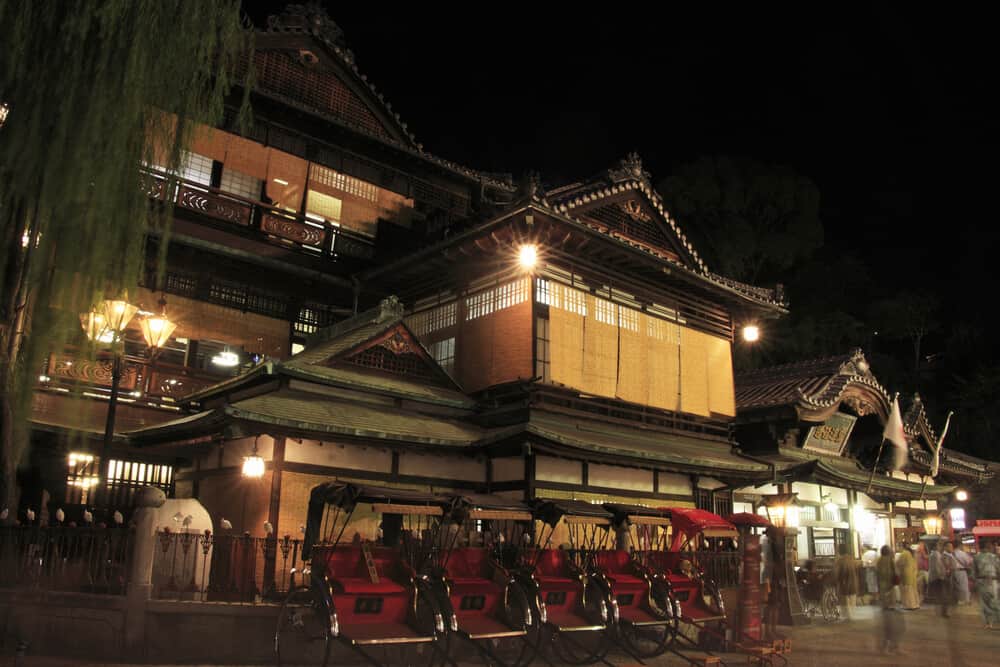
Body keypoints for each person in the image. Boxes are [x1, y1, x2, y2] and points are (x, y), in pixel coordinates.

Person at [876, 545, 904, 653]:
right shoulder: (889, 561)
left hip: (883, 595)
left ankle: (888, 645)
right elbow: (896, 575)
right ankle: (891, 645)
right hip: (890, 593)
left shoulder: (879, 562)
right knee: (892, 622)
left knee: (887, 621)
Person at [972, 539, 1000, 629]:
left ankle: (988, 622)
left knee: (985, 603)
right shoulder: (993, 557)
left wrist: (975, 581)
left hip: (983, 581)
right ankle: (990, 622)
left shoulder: (977, 557)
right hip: (992, 581)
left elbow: (973, 572)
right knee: (993, 601)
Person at [929, 539, 957, 617]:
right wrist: (943, 575)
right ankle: (943, 612)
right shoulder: (937, 555)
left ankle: (942, 611)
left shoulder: (937, 554)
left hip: (942, 577)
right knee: (944, 595)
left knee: (943, 595)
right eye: (939, 545)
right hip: (942, 578)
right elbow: (939, 567)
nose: (940, 547)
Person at [834, 543, 859, 620]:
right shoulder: (852, 559)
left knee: (845, 601)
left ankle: (847, 617)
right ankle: (851, 616)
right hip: (853, 583)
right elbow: (857, 570)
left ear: (840, 551)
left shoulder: (840, 561)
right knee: (852, 600)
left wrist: (834, 581)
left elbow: (836, 573)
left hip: (844, 583)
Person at [896, 543, 919, 610]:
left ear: (901, 546)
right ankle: (916, 604)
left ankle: (909, 605)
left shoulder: (904, 554)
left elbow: (898, 563)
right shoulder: (911, 553)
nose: (898, 548)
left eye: (898, 546)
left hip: (906, 574)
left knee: (907, 591)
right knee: (913, 590)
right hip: (913, 573)